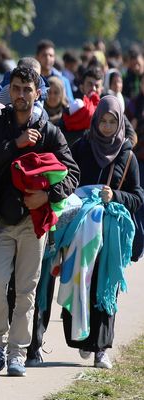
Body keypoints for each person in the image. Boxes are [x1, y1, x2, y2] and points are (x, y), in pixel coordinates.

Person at [0, 67, 79, 377]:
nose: (20, 94)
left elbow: (72, 173)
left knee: (26, 291)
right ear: (10, 91)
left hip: (35, 223)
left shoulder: (49, 131)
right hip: (0, 221)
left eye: (26, 89)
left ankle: (17, 353)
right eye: (15, 88)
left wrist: (47, 196)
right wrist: (14, 145)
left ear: (37, 93)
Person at [64, 95, 144, 369]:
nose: (107, 127)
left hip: (110, 235)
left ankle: (101, 348)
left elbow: (138, 196)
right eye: (103, 121)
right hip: (80, 231)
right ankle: (83, 340)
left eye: (112, 122)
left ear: (120, 123)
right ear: (95, 121)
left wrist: (116, 196)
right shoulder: (82, 148)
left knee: (104, 285)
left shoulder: (127, 155)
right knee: (79, 283)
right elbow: (67, 180)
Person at [36, 39, 75, 104]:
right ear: (37, 57)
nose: (48, 58)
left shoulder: (63, 81)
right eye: (44, 55)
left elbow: (70, 104)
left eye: (51, 55)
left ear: (54, 58)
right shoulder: (33, 80)